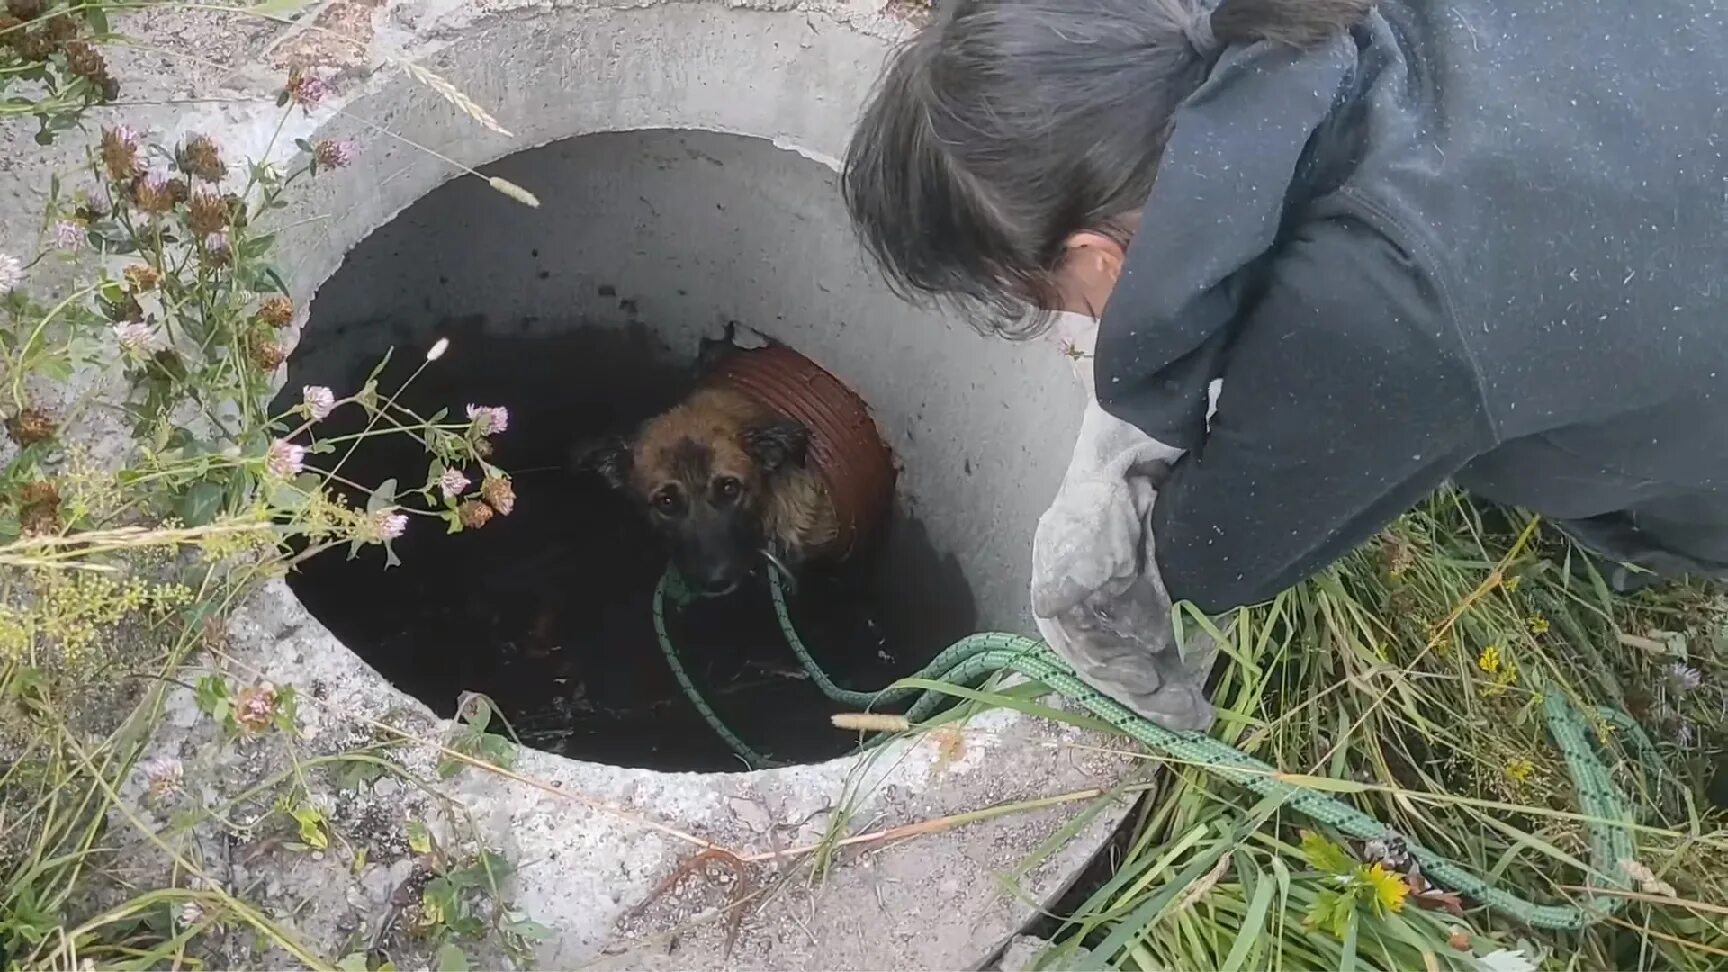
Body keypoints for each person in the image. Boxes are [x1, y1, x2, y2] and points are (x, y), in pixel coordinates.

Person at [840, 0, 1728, 726]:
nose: (1074, 324)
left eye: (1056, 302)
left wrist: (1116, 555)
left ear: (1099, 256)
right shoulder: (1266, 28)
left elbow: (1217, 558)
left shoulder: (1380, 309)